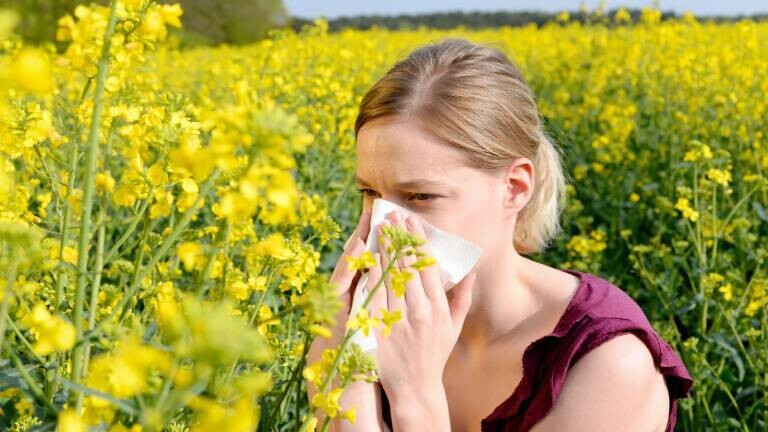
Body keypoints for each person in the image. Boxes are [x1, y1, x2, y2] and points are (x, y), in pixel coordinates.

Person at [307, 37, 693, 432]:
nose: (385, 226)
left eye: (421, 196)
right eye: (370, 193)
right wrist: (346, 383)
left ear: (515, 188)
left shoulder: (608, 363)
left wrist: (415, 399)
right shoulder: (371, 325)